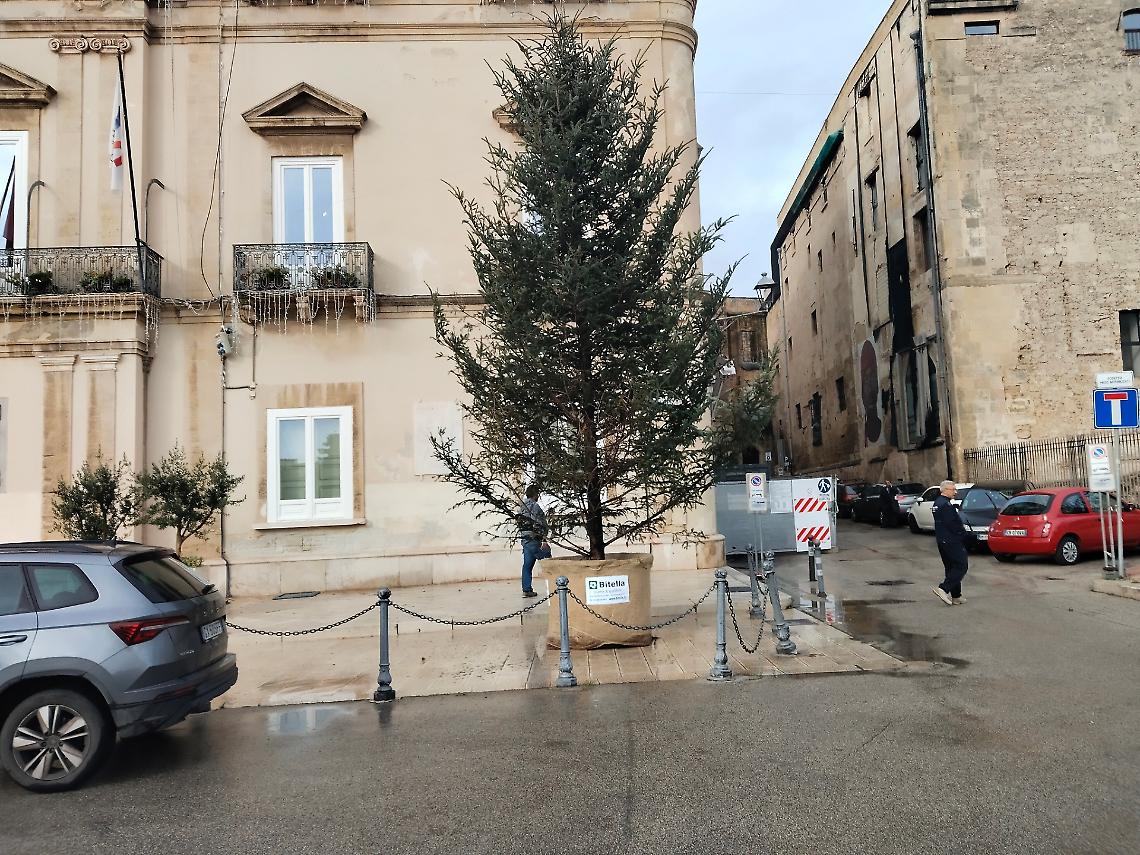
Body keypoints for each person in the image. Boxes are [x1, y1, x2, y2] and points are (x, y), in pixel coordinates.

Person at [932, 480, 968, 606]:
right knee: (961, 565)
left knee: (951, 567)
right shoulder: (945, 505)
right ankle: (943, 588)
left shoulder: (938, 503)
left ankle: (956, 596)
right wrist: (963, 534)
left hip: (943, 540)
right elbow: (952, 524)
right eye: (953, 489)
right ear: (945, 490)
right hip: (951, 540)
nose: (955, 492)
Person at [517, 485, 550, 598]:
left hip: (525, 540)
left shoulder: (522, 506)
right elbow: (538, 523)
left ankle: (527, 589)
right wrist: (543, 538)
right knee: (547, 557)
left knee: (528, 565)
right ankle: (556, 583)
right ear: (535, 494)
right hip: (534, 539)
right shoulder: (534, 506)